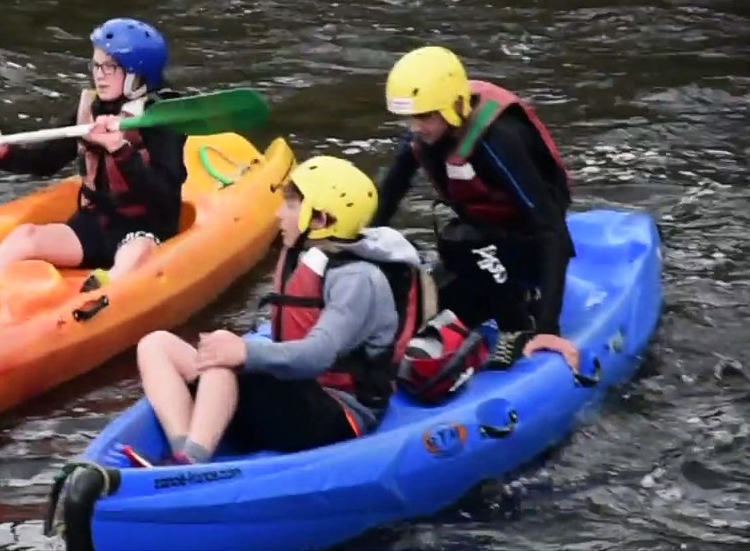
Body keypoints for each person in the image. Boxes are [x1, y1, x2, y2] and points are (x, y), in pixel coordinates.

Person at [132, 157, 427, 465]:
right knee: (155, 345)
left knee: (225, 355)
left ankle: (191, 463)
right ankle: (183, 446)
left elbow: (317, 356)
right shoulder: (306, 256)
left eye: (289, 206)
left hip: (338, 413)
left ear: (320, 219)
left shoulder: (358, 279)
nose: (278, 213)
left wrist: (244, 352)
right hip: (295, 395)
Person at [373, 45, 580, 393]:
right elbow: (390, 195)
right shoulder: (426, 134)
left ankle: (518, 322)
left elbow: (551, 230)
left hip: (525, 249)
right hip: (484, 250)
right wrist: (352, 244)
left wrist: (549, 326)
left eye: (424, 117)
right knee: (417, 306)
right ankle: (500, 298)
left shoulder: (498, 141)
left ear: (452, 108)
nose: (416, 127)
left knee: (461, 238)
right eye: (411, 117)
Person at [0, 17, 188, 293]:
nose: (99, 74)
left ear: (137, 75)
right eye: (96, 65)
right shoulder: (92, 108)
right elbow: (46, 160)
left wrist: (120, 150)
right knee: (25, 236)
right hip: (95, 227)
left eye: (110, 66)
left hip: (145, 230)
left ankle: (103, 293)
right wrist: (2, 154)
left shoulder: (163, 121)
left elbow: (163, 199)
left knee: (136, 250)